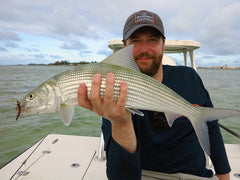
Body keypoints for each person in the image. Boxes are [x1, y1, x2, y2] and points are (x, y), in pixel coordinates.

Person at [77, 10, 231, 180]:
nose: (144, 49)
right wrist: (121, 122)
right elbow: (120, 176)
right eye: (135, 41)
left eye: (152, 40)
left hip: (195, 175)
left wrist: (224, 175)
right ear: (124, 47)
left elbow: (212, 128)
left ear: (163, 44)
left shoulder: (189, 77)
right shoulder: (113, 91)